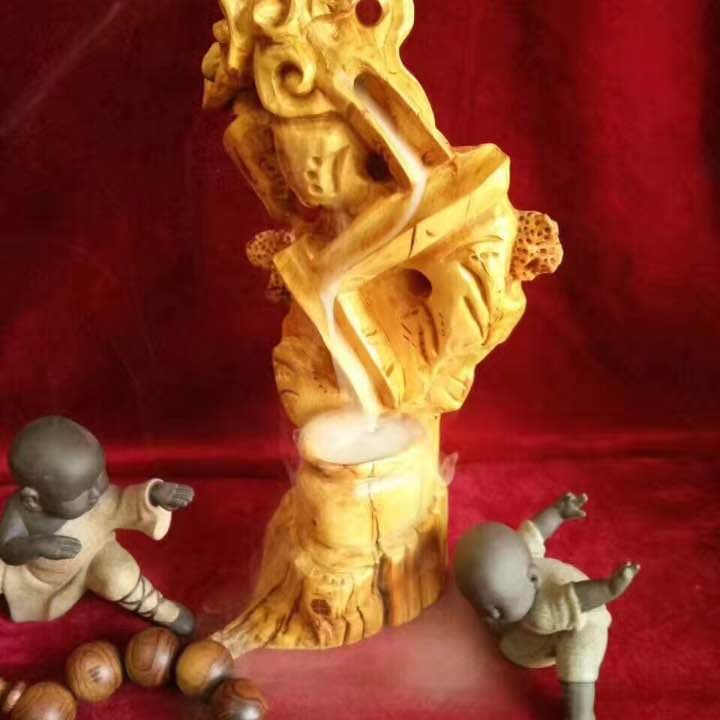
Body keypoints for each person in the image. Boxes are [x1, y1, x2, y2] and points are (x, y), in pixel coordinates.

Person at [0, 416, 196, 635]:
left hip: (91, 562)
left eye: (99, 475)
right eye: (81, 491)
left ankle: (157, 608)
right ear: (33, 500)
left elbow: (127, 502)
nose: (95, 492)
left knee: (119, 575)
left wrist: (154, 496)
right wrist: (37, 546)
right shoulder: (20, 512)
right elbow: (8, 549)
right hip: (32, 578)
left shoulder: (100, 499)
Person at [454, 492, 640, 720]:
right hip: (545, 615)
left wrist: (610, 588)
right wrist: (557, 513)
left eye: (499, 608)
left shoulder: (544, 610)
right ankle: (520, 627)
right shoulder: (521, 557)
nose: (491, 614)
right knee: (509, 634)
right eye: (483, 607)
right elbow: (536, 532)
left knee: (576, 664)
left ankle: (581, 712)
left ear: (533, 579)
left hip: (583, 620)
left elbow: (578, 597)